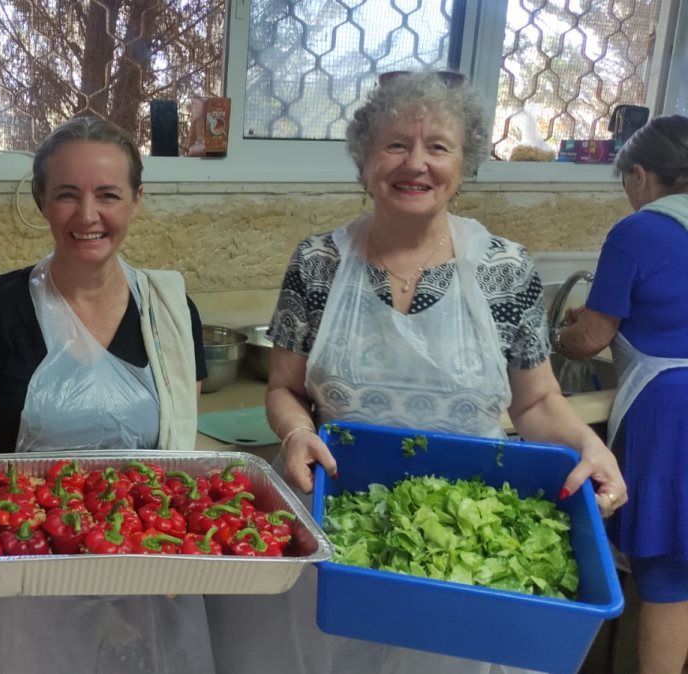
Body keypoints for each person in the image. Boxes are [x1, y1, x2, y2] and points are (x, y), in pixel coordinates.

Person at [204, 70, 628, 674]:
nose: (416, 164)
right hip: (335, 525)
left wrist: (589, 446)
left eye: (438, 147)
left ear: (465, 163)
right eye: (396, 144)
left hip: (466, 535)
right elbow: (285, 389)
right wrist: (298, 432)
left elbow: (534, 403)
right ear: (364, 158)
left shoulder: (504, 269)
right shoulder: (319, 262)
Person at [0, 115, 211, 673]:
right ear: (42, 199)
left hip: (147, 571)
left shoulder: (170, 312)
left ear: (137, 200)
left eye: (108, 194)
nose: (88, 216)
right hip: (29, 574)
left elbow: (179, 457)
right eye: (68, 194)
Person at [557, 114, 688, 674]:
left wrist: (552, 335)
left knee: (667, 576)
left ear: (639, 175)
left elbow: (590, 340)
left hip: (672, 414)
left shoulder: (639, 231)